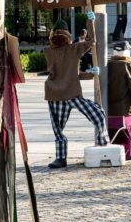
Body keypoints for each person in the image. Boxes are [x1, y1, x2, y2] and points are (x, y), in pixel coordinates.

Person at [44, 17, 109, 169]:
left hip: (56, 94)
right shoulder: (73, 49)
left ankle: (61, 158)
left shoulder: (48, 52)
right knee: (98, 113)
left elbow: (71, 72)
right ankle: (103, 143)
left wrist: (91, 74)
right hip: (70, 93)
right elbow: (92, 41)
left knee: (58, 129)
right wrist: (89, 21)